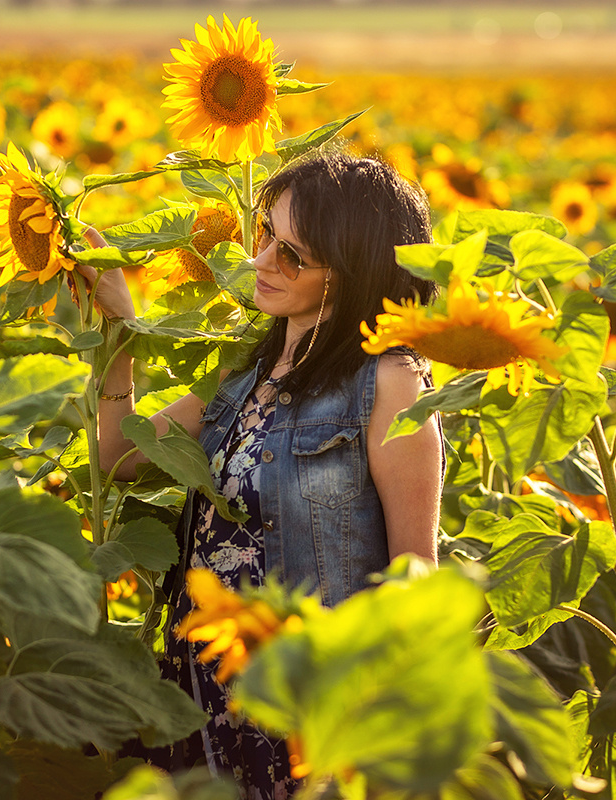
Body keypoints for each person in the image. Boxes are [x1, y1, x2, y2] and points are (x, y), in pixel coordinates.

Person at [77, 151, 443, 799]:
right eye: (266, 234)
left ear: (354, 270)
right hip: (201, 696)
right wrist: (119, 334)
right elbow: (120, 458)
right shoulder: (243, 373)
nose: (262, 260)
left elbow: (415, 570)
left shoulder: (390, 382)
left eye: (292, 255)